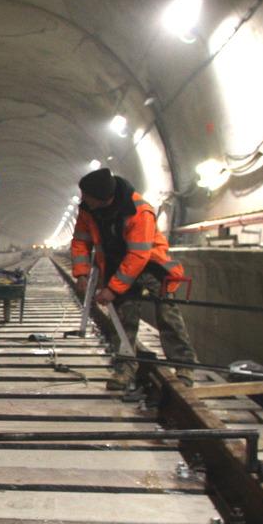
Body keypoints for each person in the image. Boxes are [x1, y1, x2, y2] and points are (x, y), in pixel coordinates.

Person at [70, 167, 197, 398]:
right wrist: (81, 273)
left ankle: (185, 367)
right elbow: (80, 241)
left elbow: (138, 255)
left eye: (87, 196)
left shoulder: (139, 211)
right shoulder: (88, 209)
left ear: (103, 197)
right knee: (123, 316)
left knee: (167, 313)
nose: (83, 200)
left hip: (150, 264)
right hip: (117, 264)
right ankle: (125, 370)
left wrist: (112, 288)